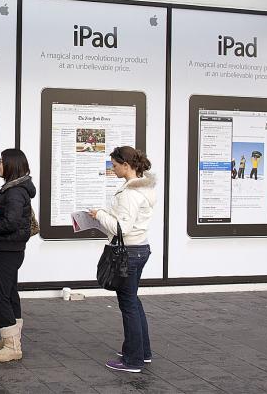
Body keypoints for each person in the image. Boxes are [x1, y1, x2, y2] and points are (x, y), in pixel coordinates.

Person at [89, 146, 156, 373]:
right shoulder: (143, 188)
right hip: (141, 248)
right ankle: (142, 352)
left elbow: (122, 228)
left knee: (128, 304)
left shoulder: (129, 193)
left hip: (128, 252)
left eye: (115, 165)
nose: (113, 169)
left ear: (126, 166)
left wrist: (99, 215)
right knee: (133, 301)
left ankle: (133, 360)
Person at [0, 149, 36, 363]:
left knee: (1, 294)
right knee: (10, 292)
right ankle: (10, 337)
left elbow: (11, 222)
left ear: (11, 165)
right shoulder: (14, 188)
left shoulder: (14, 192)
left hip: (10, 247)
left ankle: (12, 346)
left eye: (1, 162)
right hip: (12, 247)